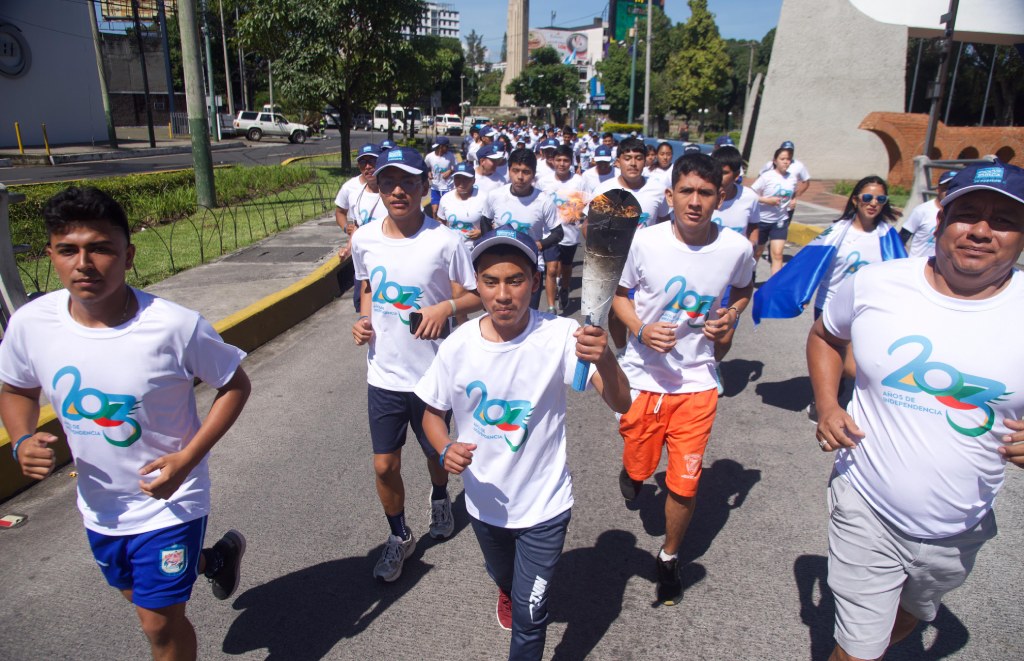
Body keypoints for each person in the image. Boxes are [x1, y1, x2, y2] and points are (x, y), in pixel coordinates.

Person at [0, 186, 251, 661]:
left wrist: (185, 461)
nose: (84, 263)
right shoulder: (32, 324)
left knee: (159, 624)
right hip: (100, 507)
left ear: (128, 255)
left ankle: (195, 562)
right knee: (139, 600)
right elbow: (16, 390)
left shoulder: (175, 326)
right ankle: (212, 560)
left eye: (100, 248)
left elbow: (234, 385)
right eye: (68, 250)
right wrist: (22, 440)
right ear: (50, 255)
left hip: (173, 501)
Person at [806, 159, 1024, 661]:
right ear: (942, 217)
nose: (982, 230)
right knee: (859, 649)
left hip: (960, 526)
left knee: (909, 617)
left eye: (1004, 219)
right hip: (866, 500)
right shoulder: (877, 283)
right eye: (968, 213)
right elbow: (825, 335)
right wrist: (825, 405)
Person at [415, 226, 631, 660]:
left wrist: (604, 355)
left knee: (532, 619)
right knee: (504, 575)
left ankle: (522, 602)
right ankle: (507, 588)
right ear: (476, 285)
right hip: (483, 502)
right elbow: (431, 414)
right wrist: (444, 448)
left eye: (515, 280)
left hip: (545, 504)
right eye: (491, 282)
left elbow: (622, 400)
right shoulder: (457, 346)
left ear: (535, 281)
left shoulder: (559, 335)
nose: (503, 294)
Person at [611, 153, 755, 606]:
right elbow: (618, 296)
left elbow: (745, 289)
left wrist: (729, 316)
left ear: (721, 198)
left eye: (706, 193)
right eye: (687, 192)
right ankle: (634, 476)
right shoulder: (645, 242)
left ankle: (670, 557)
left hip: (697, 383)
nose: (695, 202)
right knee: (638, 465)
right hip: (644, 379)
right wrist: (640, 329)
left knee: (684, 483)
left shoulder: (736, 249)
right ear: (670, 195)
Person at [350, 147, 482, 582]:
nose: (399, 190)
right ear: (377, 187)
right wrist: (363, 320)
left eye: (408, 181)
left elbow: (475, 295)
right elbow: (367, 287)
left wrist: (445, 308)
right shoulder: (364, 239)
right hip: (383, 374)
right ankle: (399, 535)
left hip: (432, 376)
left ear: (425, 186)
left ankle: (440, 496)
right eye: (389, 182)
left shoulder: (446, 240)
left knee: (436, 457)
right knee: (384, 465)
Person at [588, 137, 672, 348]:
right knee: (617, 313)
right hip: (615, 263)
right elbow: (588, 226)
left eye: (638, 158)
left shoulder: (657, 189)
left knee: (647, 309)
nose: (633, 163)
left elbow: (664, 222)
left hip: (650, 262)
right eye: (627, 158)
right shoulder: (603, 190)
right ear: (618, 162)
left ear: (646, 161)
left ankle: (644, 350)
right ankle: (622, 350)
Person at [480, 148, 562, 310]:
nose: (520, 177)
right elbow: (485, 220)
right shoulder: (495, 196)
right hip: (500, 264)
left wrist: (539, 245)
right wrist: (490, 243)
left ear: (533, 174)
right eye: (515, 170)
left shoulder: (544, 200)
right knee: (499, 313)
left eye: (526, 172)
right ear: (509, 170)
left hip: (530, 267)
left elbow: (558, 233)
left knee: (527, 315)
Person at [709, 145, 761, 392]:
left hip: (733, 276)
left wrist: (753, 252)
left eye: (726, 171)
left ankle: (714, 364)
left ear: (737, 174)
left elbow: (754, 227)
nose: (720, 175)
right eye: (716, 169)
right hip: (703, 275)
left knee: (725, 333)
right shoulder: (704, 193)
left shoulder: (749, 197)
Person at [537, 144, 586, 315]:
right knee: (550, 270)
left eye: (566, 160)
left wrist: (579, 214)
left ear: (571, 162)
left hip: (570, 233)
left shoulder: (579, 181)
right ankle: (551, 307)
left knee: (566, 266)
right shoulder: (544, 182)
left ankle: (565, 287)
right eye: (558, 160)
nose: (562, 164)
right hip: (550, 233)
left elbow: (586, 203)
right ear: (552, 161)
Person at [438, 161, 487, 325]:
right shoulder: (446, 199)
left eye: (465, 179)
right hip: (455, 254)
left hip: (478, 253)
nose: (461, 183)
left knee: (484, 292)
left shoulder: (483, 198)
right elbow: (441, 223)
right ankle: (462, 326)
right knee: (457, 293)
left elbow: (493, 224)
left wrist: (481, 232)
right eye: (457, 179)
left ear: (473, 180)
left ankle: (492, 322)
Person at [750, 145, 798, 276]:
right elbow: (751, 195)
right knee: (757, 252)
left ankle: (773, 286)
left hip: (780, 220)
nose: (786, 161)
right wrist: (766, 200)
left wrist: (793, 200)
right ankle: (750, 277)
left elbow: (792, 193)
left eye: (788, 159)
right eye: (782, 158)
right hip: (761, 220)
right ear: (775, 161)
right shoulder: (767, 177)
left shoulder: (792, 178)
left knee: (777, 254)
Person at [899, 170, 955, 258]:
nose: (949, 191)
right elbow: (901, 238)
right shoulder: (922, 210)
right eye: (946, 187)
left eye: (953, 188)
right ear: (938, 189)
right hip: (916, 266)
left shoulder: (958, 215)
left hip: (940, 268)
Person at [758, 139, 811, 220]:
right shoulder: (770, 164)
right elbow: (760, 178)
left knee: (782, 226)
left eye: (790, 151)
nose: (788, 153)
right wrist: (763, 198)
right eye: (785, 150)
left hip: (786, 206)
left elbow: (806, 181)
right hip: (767, 205)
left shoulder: (799, 166)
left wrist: (795, 196)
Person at [425, 136, 457, 219]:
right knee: (435, 211)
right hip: (435, 187)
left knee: (445, 213)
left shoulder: (450, 156)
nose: (448, 148)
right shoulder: (429, 157)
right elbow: (426, 167)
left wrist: (450, 171)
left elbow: (456, 167)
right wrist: (429, 173)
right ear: (441, 147)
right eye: (447, 146)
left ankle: (445, 228)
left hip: (447, 188)